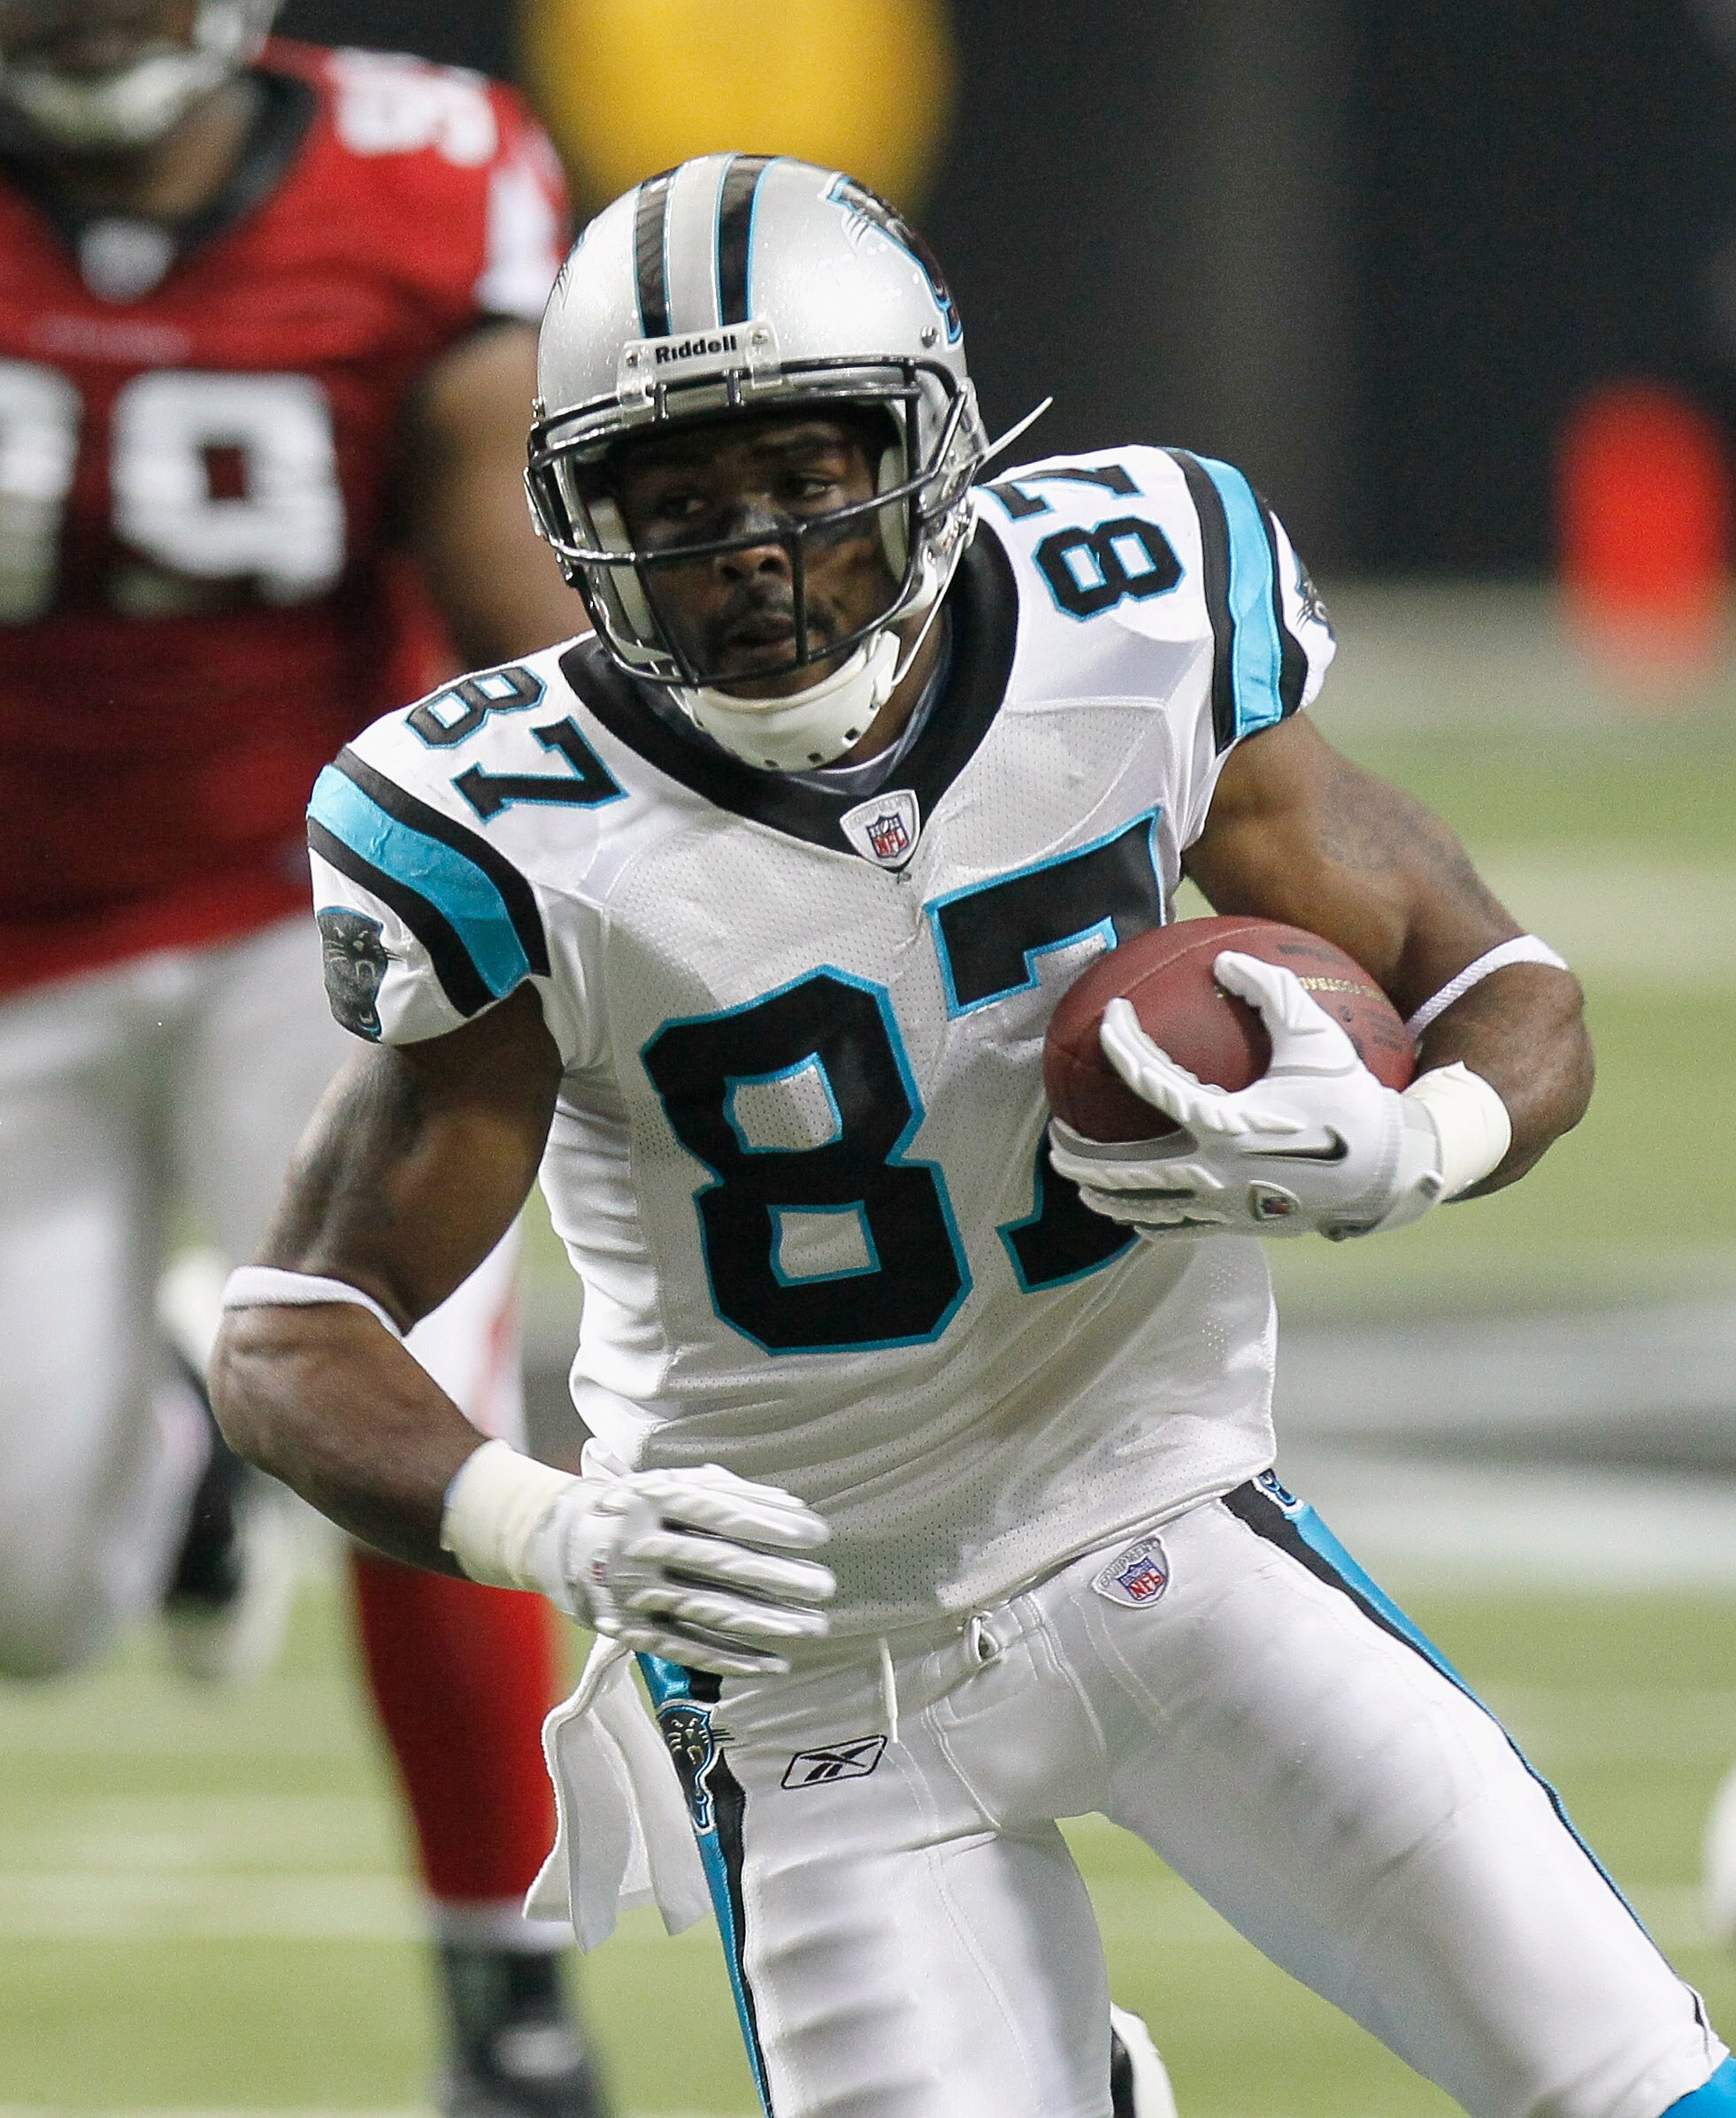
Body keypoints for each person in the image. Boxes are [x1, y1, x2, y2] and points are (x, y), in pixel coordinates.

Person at [210, 152, 1735, 2118]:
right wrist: (550, 1520)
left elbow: (1500, 989)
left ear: (936, 447)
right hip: (818, 1683)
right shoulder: (504, 821)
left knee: (1638, 2091)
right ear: (579, 524)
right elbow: (288, 1330)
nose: (752, 552)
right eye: (676, 503)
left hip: (1179, 1537)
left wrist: (1418, 1140)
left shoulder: (1139, 603)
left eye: (802, 478)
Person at [0, 5, 606, 2112]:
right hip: (14, 942)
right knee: (23, 1601)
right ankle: (188, 1425)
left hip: (312, 903)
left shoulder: (423, 174)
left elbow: (508, 591)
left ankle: (507, 1993)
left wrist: (611, 854)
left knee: (417, 1410)